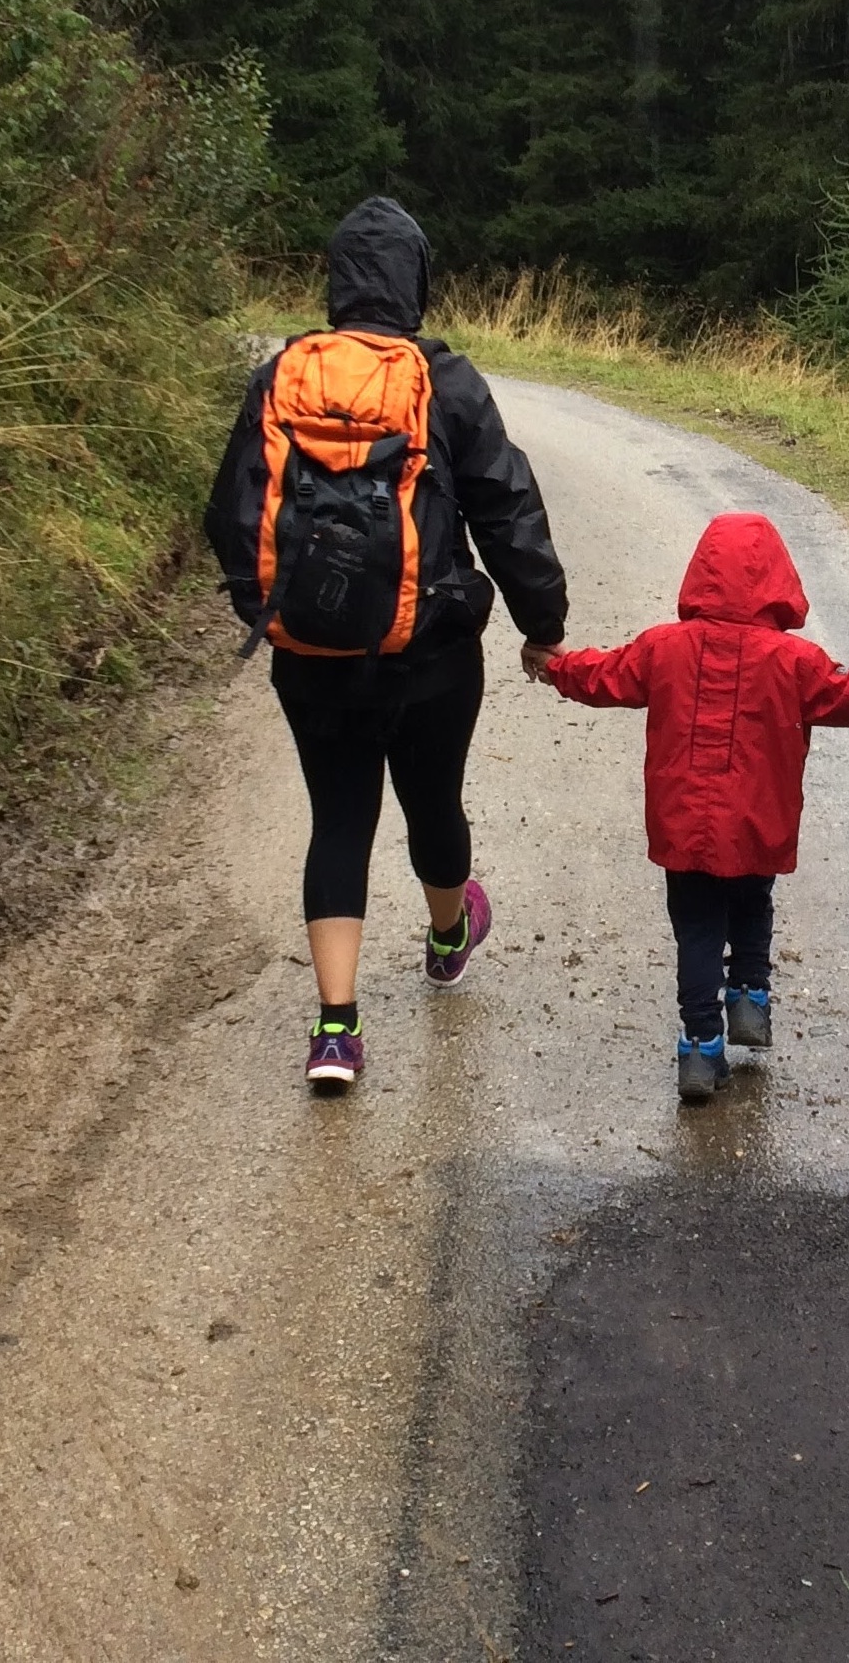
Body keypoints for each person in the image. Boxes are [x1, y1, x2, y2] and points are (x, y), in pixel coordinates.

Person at [206, 197, 569, 1094]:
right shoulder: (444, 381)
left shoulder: (280, 376)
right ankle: (449, 937)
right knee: (432, 801)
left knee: (338, 820)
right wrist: (542, 625)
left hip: (310, 656)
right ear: (416, 282)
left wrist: (274, 610)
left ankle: (335, 1029)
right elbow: (506, 509)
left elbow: (230, 514)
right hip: (431, 653)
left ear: (335, 282)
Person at [542, 512, 849, 1104]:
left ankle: (701, 1045)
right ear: (778, 580)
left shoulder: (663, 648)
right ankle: (750, 995)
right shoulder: (796, 661)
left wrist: (554, 663)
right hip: (759, 822)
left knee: (697, 927)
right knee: (753, 902)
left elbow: (603, 675)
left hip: (683, 825)